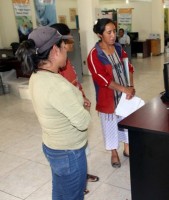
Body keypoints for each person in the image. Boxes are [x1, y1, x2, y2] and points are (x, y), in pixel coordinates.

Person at [15, 26, 91, 199]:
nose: (67, 50)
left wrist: (76, 102)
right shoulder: (58, 86)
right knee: (73, 195)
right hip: (69, 152)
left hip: (52, 146)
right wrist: (83, 107)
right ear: (55, 50)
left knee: (59, 191)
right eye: (64, 46)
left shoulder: (36, 76)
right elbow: (83, 122)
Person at [50, 23, 99, 195]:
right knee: (74, 154)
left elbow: (74, 84)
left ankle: (81, 176)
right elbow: (64, 94)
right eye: (69, 38)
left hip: (77, 105)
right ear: (60, 43)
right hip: (70, 116)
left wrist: (83, 96)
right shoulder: (55, 68)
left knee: (82, 150)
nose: (72, 41)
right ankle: (78, 183)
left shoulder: (66, 60)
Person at [87, 18, 135, 168]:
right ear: (100, 35)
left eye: (114, 31)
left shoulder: (119, 49)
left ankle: (127, 148)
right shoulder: (95, 55)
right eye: (109, 32)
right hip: (108, 98)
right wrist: (124, 88)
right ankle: (114, 153)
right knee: (110, 125)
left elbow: (129, 67)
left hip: (124, 95)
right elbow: (102, 79)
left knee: (127, 122)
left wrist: (131, 86)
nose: (113, 35)